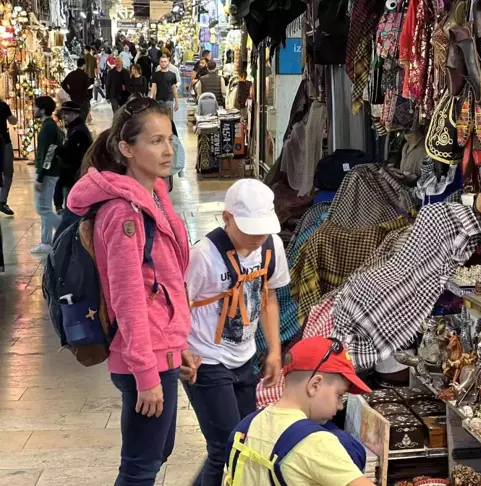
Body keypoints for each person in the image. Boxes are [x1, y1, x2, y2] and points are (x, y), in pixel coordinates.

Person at [65, 96, 197, 486]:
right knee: (140, 467)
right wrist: (146, 374)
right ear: (126, 149)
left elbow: (165, 283)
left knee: (155, 455)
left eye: (169, 139)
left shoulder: (153, 196)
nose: (167, 149)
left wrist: (178, 344)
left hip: (161, 349)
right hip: (144, 356)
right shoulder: (125, 212)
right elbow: (128, 298)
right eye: (155, 141)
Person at [184, 178, 289, 486]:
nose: (257, 236)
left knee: (243, 440)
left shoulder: (271, 246)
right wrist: (179, 350)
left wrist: (273, 352)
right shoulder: (202, 256)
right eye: (249, 228)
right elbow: (177, 305)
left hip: (245, 358)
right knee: (225, 448)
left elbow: (268, 297)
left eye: (262, 227)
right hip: (205, 361)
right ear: (226, 218)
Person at [223, 336, 373, 486]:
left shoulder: (246, 427)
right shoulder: (317, 443)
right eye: (339, 395)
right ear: (315, 385)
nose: (340, 406)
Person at [31, 96, 63, 253]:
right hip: (50, 172)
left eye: (36, 107)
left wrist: (40, 176)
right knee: (45, 207)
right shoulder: (50, 126)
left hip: (48, 173)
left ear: (42, 109)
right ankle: (46, 242)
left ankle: (64, 230)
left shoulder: (48, 128)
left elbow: (47, 153)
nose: (34, 110)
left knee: (42, 208)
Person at [53, 102, 92, 214]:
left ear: (76, 114)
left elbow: (72, 154)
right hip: (71, 174)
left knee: (70, 207)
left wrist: (58, 150)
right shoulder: (74, 128)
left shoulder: (78, 131)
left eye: (67, 113)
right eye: (63, 113)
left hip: (73, 175)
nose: (64, 116)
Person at [0, 98, 17, 215]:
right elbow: (13, 121)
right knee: (8, 173)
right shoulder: (3, 106)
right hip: (4, 142)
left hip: (3, 142)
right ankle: (2, 201)